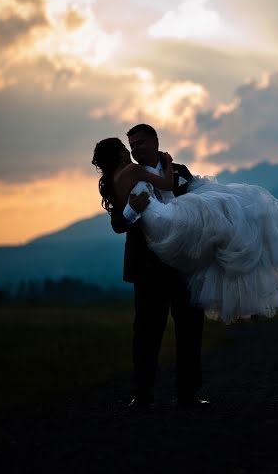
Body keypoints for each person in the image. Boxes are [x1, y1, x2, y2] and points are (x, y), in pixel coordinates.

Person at [92, 124, 206, 410]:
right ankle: (141, 396)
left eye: (140, 143)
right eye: (131, 145)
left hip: (184, 267)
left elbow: (200, 210)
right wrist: (133, 208)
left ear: (155, 141)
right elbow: (118, 223)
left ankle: (188, 395)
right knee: (146, 333)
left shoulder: (179, 170)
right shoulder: (125, 177)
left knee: (191, 330)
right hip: (148, 269)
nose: (135, 149)